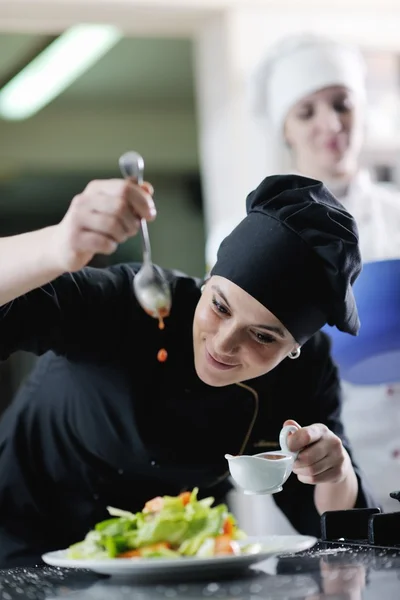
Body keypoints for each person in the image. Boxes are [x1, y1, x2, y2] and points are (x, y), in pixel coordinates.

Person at [0, 172, 376, 568]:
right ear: (207, 281)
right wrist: (57, 248)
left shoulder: (305, 373)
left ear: (295, 348)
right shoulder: (133, 304)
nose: (224, 344)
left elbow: (335, 539)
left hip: (173, 554)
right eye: (219, 307)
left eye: (263, 337)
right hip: (23, 530)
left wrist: (336, 473)